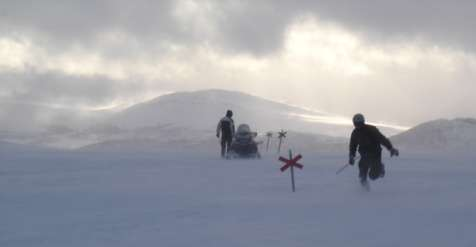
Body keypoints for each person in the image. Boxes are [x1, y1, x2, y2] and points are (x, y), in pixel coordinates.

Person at [349, 113, 399, 188]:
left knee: (373, 176)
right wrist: (352, 156)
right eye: (356, 124)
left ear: (363, 122)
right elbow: (353, 146)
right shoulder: (354, 133)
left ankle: (380, 168)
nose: (358, 125)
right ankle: (364, 192)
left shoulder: (371, 129)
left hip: (375, 154)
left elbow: (382, 139)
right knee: (362, 173)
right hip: (364, 155)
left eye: (359, 123)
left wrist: (390, 148)